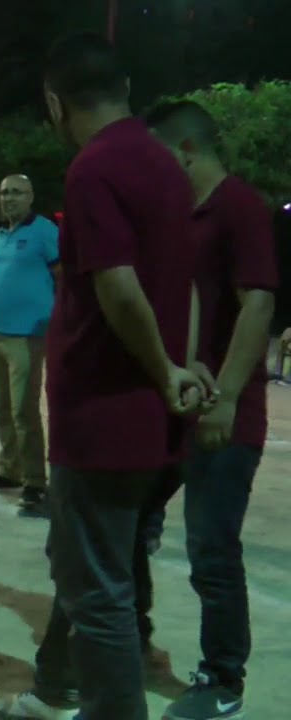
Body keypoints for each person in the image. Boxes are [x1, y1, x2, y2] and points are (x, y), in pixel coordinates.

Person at [0, 33, 210, 720]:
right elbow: (189, 281)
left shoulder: (94, 170)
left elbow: (116, 288)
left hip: (105, 417)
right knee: (100, 573)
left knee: (100, 591)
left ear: (56, 103)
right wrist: (182, 363)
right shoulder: (167, 165)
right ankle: (66, 693)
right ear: (126, 93)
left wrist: (163, 366)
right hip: (154, 417)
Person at [143, 100, 278, 720]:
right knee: (133, 523)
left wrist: (223, 399)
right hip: (177, 401)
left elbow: (257, 308)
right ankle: (131, 639)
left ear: (187, 150)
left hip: (225, 412)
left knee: (211, 547)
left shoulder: (239, 207)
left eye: (159, 157)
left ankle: (224, 680)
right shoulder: (186, 214)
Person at [0, 175, 60, 520]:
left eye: (16, 193)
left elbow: (63, 276)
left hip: (27, 335)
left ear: (30, 197)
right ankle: (10, 470)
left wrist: (56, 317)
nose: (9, 198)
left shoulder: (44, 232)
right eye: (4, 192)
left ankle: (36, 483)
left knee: (25, 410)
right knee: (2, 407)